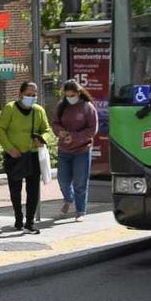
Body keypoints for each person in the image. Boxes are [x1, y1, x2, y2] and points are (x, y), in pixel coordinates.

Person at [0, 81, 54, 234]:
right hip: (14, 156)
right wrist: (9, 148)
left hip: (33, 155)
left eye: (34, 95)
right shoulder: (10, 108)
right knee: (15, 190)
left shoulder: (39, 110)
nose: (32, 97)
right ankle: (18, 217)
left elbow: (47, 129)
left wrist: (42, 139)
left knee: (33, 190)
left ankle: (30, 222)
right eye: (28, 94)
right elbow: (0, 130)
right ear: (20, 94)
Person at [52, 79, 98, 221]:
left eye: (72, 95)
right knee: (63, 180)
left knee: (80, 183)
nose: (70, 98)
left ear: (78, 93)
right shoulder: (62, 106)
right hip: (64, 150)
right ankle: (68, 198)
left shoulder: (87, 107)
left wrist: (74, 137)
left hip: (82, 150)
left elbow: (92, 130)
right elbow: (55, 123)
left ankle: (80, 211)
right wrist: (60, 132)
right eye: (67, 95)